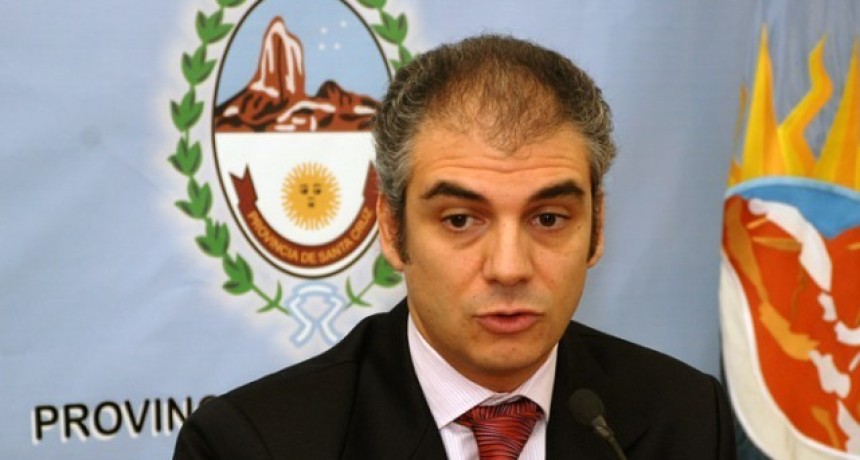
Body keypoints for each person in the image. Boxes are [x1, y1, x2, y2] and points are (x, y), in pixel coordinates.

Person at [173, 34, 736, 459]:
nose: (509, 268)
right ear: (392, 230)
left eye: (548, 218)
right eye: (461, 220)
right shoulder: (253, 444)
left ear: (597, 227)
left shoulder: (684, 418)